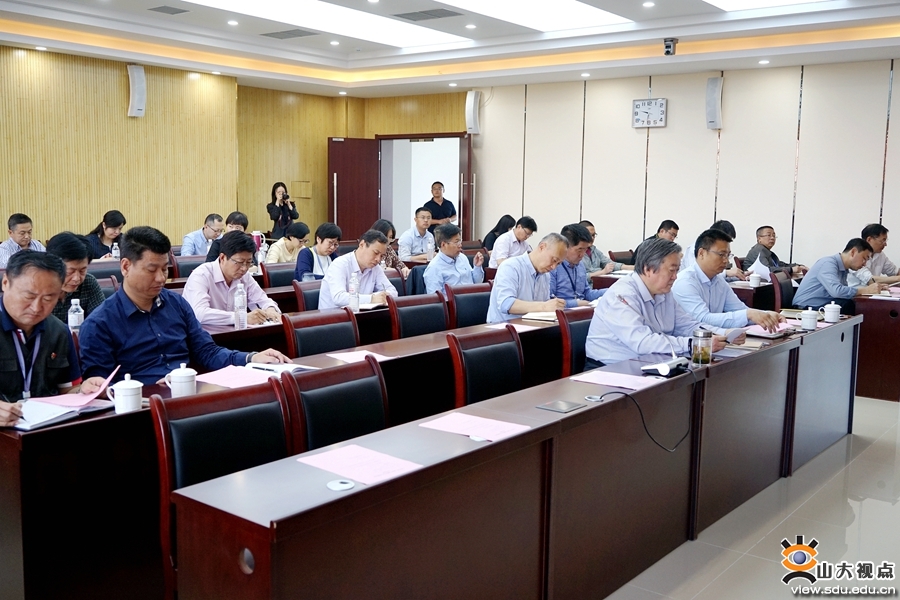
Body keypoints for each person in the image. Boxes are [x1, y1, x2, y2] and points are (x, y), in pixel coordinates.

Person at [78, 227, 289, 386]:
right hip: (139, 409)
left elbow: (207, 351)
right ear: (125, 266)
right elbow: (100, 386)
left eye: (165, 269)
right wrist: (144, 389)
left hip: (186, 393)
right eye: (152, 270)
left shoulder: (176, 304)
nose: (161, 278)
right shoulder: (99, 323)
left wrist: (251, 358)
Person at [585, 238, 730, 367]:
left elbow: (686, 325)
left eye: (677, 270)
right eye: (672, 270)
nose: (675, 277)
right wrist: (694, 344)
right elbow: (643, 343)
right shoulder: (622, 296)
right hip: (608, 369)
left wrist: (723, 334)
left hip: (649, 362)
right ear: (648, 269)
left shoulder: (663, 291)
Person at [0, 252, 99, 414]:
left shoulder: (59, 331)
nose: (36, 307)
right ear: (5, 283)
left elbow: (68, 390)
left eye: (48, 299)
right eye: (29, 296)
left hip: (47, 424)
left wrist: (85, 390)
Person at [672, 229, 783, 331]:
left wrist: (766, 315)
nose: (726, 261)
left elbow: (739, 309)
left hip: (715, 339)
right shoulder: (685, 282)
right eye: (721, 255)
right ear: (702, 253)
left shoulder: (718, 280)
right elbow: (702, 319)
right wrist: (749, 314)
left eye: (728, 255)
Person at [183, 231, 281, 327]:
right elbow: (199, 313)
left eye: (249, 262)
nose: (244, 268)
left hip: (231, 333)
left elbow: (262, 299)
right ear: (222, 257)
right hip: (202, 334)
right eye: (239, 262)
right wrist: (241, 317)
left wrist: (270, 309)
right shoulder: (201, 275)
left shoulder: (244, 276)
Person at [486, 232, 568, 323]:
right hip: (504, 328)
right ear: (542, 247)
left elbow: (544, 305)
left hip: (532, 326)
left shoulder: (545, 275)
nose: (553, 267)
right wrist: (544, 306)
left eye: (558, 264)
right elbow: (506, 304)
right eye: (554, 260)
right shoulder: (510, 266)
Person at [793, 238, 886, 314]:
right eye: (864, 258)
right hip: (804, 309)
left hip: (819, 306)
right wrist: (866, 290)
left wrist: (873, 289)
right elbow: (836, 291)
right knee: (850, 306)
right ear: (853, 252)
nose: (865, 264)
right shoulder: (828, 263)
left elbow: (842, 293)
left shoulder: (843, 269)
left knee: (855, 305)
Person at [319, 230, 398, 310]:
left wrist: (381, 296)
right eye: (375, 253)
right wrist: (371, 298)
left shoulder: (375, 268)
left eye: (381, 256)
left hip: (362, 314)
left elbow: (393, 291)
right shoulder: (339, 264)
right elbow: (339, 297)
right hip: (334, 315)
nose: (378, 259)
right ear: (362, 244)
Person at [46, 232, 106, 323]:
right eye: (70, 272)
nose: (77, 278)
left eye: (82, 271)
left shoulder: (88, 283)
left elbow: (102, 320)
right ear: (52, 266)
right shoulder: (38, 289)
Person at [549, 223, 605, 308]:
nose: (582, 255)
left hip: (582, 310)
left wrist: (609, 291)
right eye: (579, 250)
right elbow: (549, 301)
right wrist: (576, 303)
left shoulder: (580, 265)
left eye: (585, 250)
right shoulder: (552, 267)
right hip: (562, 312)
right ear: (565, 247)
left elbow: (586, 293)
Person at [424, 223, 484, 295]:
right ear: (443, 244)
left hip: (472, 298)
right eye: (456, 242)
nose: (460, 245)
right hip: (454, 301)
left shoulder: (462, 258)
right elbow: (435, 298)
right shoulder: (434, 268)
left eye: (460, 241)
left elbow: (477, 282)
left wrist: (477, 267)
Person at [681, 220, 746, 280]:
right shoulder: (694, 249)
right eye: (721, 255)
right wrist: (726, 273)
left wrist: (741, 276)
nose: (726, 260)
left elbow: (721, 279)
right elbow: (699, 275)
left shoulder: (716, 279)